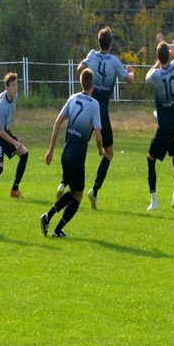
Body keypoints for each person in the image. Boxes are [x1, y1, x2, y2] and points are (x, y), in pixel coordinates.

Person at [75, 27, 134, 210]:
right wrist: (131, 71)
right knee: (108, 153)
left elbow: (79, 69)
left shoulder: (92, 55)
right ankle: (94, 190)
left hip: (87, 106)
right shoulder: (114, 61)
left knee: (79, 145)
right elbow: (129, 80)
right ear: (111, 42)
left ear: (98, 41)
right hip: (101, 110)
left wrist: (87, 66)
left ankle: (65, 182)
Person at [40, 69, 103, 238]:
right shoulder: (94, 104)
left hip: (65, 155)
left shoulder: (73, 98)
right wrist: (100, 150)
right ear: (93, 85)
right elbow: (98, 136)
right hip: (77, 159)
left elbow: (57, 122)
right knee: (78, 196)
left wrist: (50, 150)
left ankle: (49, 219)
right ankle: (54, 226)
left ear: (81, 83)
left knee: (74, 192)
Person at [144, 43, 174, 211]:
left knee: (150, 159)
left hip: (163, 129)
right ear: (168, 55)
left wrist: (158, 62)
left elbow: (147, 76)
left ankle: (154, 200)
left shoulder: (156, 75)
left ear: (158, 57)